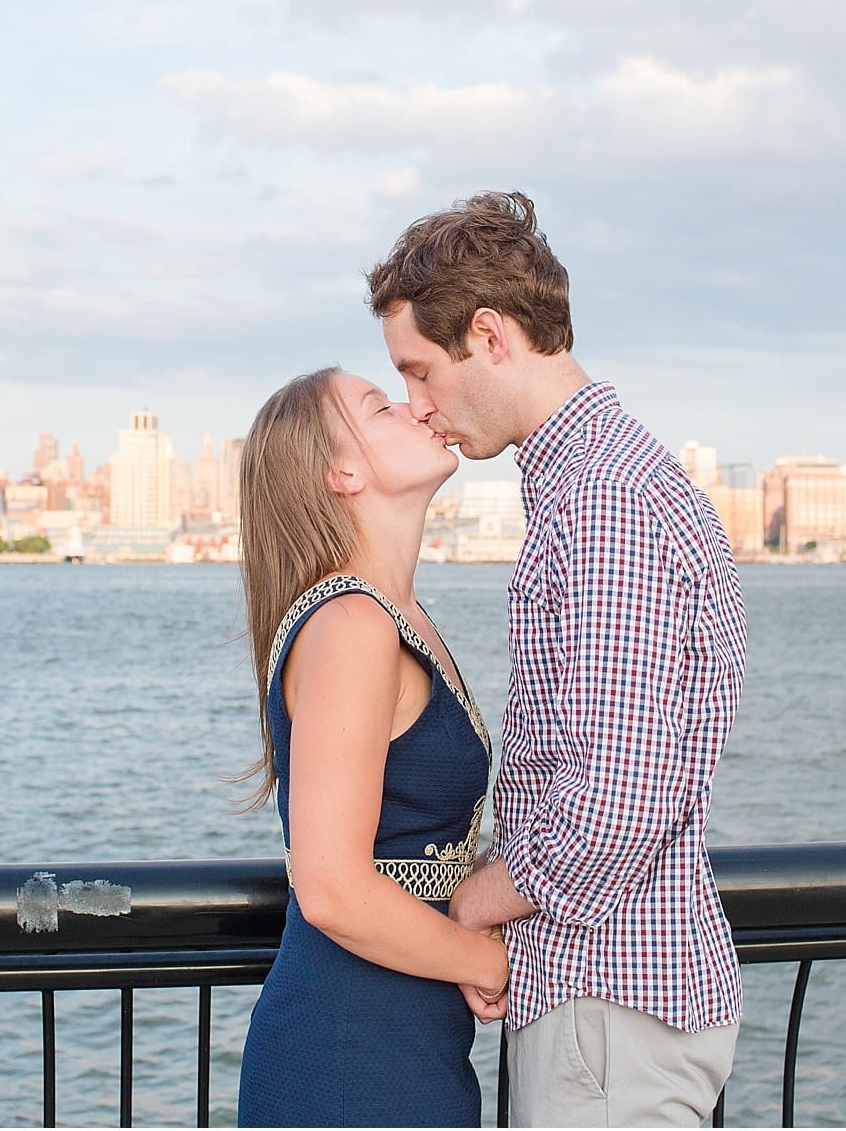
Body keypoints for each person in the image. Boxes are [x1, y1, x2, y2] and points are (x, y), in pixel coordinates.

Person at [368, 191, 748, 1127]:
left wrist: (475, 903)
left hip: (607, 1004)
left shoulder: (601, 505)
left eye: (420, 372)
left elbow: (616, 800)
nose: (419, 407)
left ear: (490, 335)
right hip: (614, 1001)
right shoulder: (613, 482)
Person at [234, 366, 506, 1127]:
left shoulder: (395, 614)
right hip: (348, 1059)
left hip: (411, 1042)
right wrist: (491, 962)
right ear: (342, 472)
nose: (417, 407)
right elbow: (331, 887)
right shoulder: (353, 624)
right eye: (380, 406)